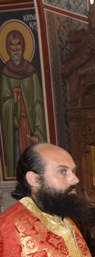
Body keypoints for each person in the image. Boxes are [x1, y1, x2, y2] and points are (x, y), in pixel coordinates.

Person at [1, 29, 46, 177]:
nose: (15, 48)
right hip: (15, 127)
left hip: (30, 126)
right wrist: (13, 102)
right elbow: (3, 103)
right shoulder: (5, 74)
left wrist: (38, 131)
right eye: (12, 45)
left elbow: (39, 103)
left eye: (18, 44)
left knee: (33, 162)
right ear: (7, 48)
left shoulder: (31, 72)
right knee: (18, 159)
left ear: (23, 46)